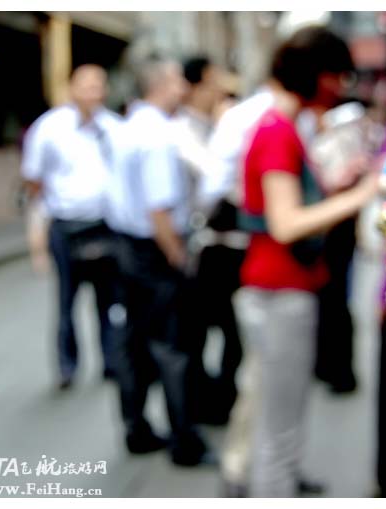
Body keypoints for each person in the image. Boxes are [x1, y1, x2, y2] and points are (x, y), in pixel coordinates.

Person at [234, 26, 379, 497]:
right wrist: (360, 195)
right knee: (280, 427)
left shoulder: (282, 127)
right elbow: (287, 223)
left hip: (280, 288)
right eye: (336, 76)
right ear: (317, 75)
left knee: (281, 419)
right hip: (279, 290)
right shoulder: (277, 131)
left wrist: (340, 190)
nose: (340, 88)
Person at [105, 57, 208, 465]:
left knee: (134, 341)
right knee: (172, 345)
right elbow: (159, 208)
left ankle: (136, 426)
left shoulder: (129, 127)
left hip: (127, 245)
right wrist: (177, 255)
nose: (184, 88)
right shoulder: (159, 135)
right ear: (164, 85)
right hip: (153, 248)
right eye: (179, 81)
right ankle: (184, 439)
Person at [20, 64, 122, 390]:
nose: (93, 92)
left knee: (109, 300)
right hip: (65, 225)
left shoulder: (114, 128)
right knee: (67, 300)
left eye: (98, 86)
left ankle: (111, 361)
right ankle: (67, 366)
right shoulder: (49, 128)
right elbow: (34, 180)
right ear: (72, 89)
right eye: (86, 86)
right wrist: (38, 236)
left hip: (105, 223)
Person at [172, 55, 244, 425]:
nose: (222, 88)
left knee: (233, 335)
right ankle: (202, 407)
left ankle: (221, 400)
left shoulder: (215, 125)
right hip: (200, 249)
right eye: (215, 79)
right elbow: (218, 181)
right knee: (200, 336)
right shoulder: (182, 130)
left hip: (227, 248)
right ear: (197, 84)